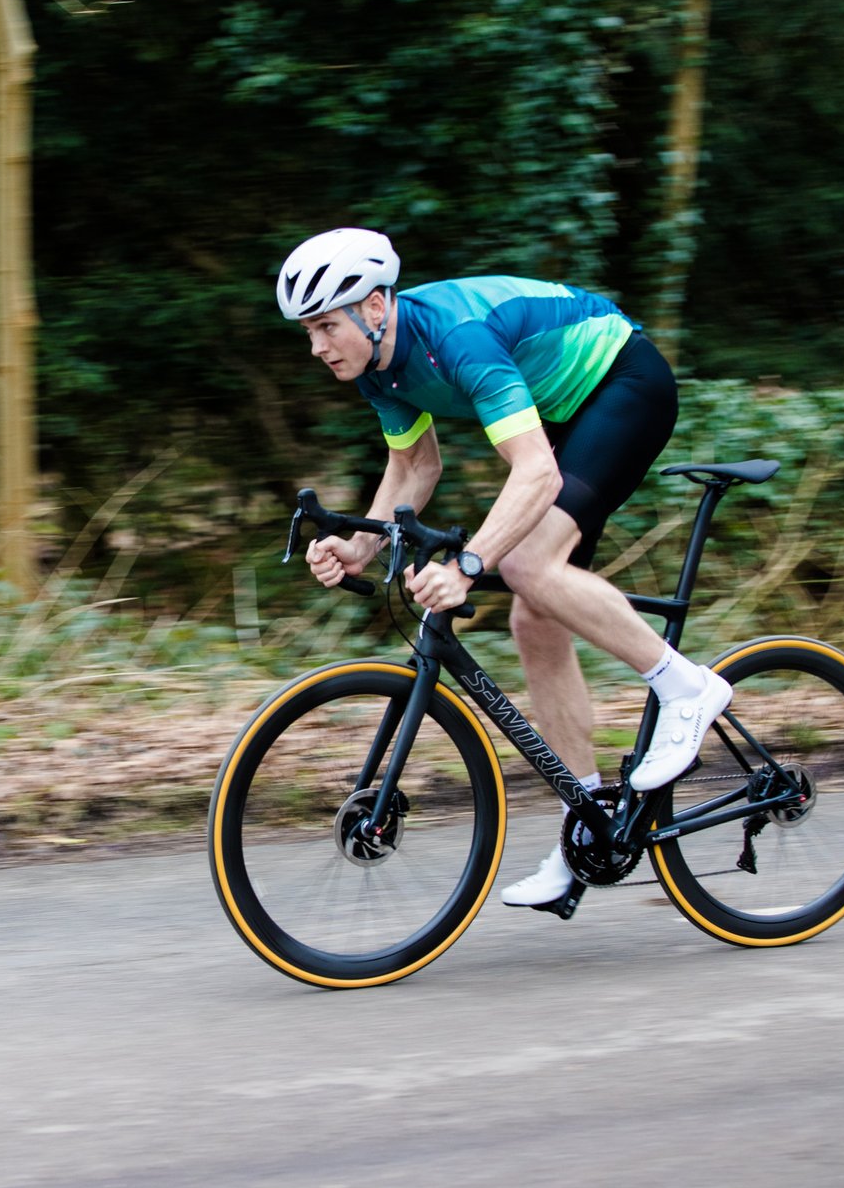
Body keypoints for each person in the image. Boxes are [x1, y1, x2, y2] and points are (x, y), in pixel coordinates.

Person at [278, 226, 732, 911]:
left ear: (374, 308)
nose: (316, 347)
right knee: (533, 618)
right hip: (562, 415)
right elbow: (415, 466)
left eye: (325, 326)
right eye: (308, 332)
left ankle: (687, 688)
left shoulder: (456, 337)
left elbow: (537, 472)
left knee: (525, 563)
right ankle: (588, 823)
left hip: (623, 384)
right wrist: (361, 546)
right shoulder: (378, 369)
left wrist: (467, 564)